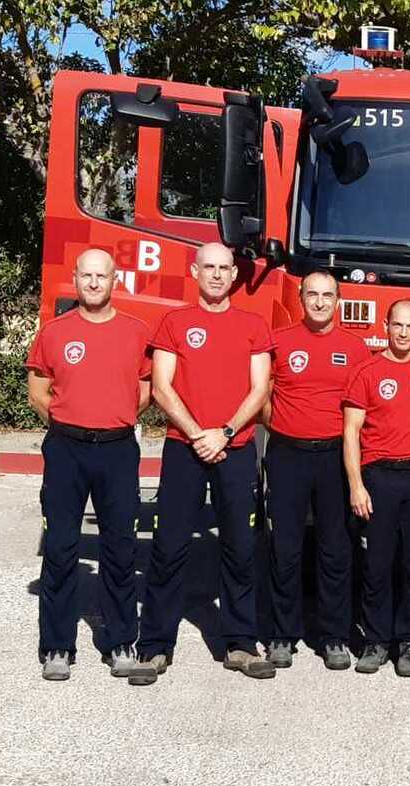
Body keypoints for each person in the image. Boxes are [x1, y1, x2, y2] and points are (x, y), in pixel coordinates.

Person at [130, 242, 276, 685]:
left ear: (235, 275)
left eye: (224, 268)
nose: (216, 275)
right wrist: (198, 434)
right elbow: (161, 387)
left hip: (234, 448)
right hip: (184, 447)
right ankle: (155, 646)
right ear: (195, 273)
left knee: (239, 548)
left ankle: (240, 643)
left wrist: (225, 433)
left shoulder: (253, 325)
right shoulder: (175, 323)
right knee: (170, 546)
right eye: (208, 267)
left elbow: (260, 390)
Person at [26, 248, 151, 681]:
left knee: (119, 549)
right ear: (75, 280)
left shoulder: (137, 332)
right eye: (87, 276)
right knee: (60, 547)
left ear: (115, 280)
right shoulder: (54, 332)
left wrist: (114, 416)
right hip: (66, 450)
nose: (94, 283)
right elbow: (38, 392)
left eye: (102, 276)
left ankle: (120, 642)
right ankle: (57, 647)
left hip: (117, 450)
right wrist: (68, 423)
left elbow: (147, 388)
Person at [263, 270, 370, 671]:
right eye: (312, 295)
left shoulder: (356, 349)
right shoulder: (280, 342)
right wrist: (287, 426)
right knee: (284, 548)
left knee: (336, 549)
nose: (320, 302)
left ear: (338, 301)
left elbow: (362, 410)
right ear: (301, 298)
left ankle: (335, 636)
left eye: (328, 295)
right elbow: (264, 397)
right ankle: (281, 634)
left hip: (334, 457)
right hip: (288, 454)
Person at [343, 299, 410, 677]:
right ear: (386, 325)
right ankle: (377, 640)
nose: (404, 333)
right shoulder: (367, 371)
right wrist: (356, 485)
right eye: (398, 325)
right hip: (378, 476)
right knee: (377, 564)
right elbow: (350, 432)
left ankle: (409, 641)